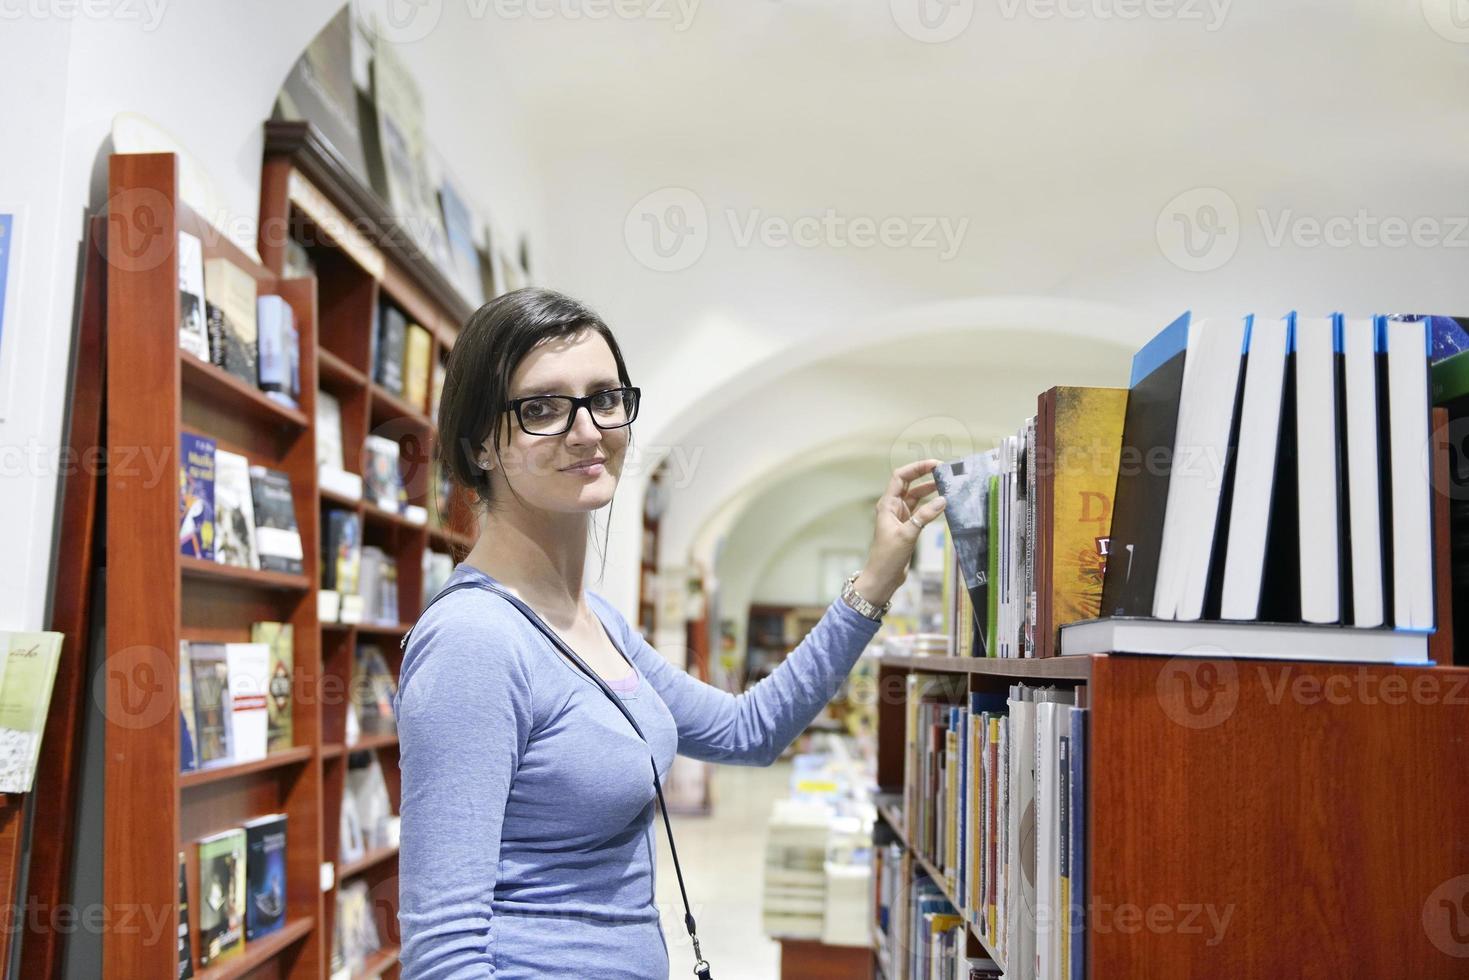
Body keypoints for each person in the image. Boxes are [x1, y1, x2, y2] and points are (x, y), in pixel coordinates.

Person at [395, 287, 946, 978]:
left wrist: (873, 582)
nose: (587, 430)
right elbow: (442, 953)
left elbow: (749, 730)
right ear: (480, 446)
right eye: (539, 407)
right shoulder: (474, 642)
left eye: (603, 397)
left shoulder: (595, 621)